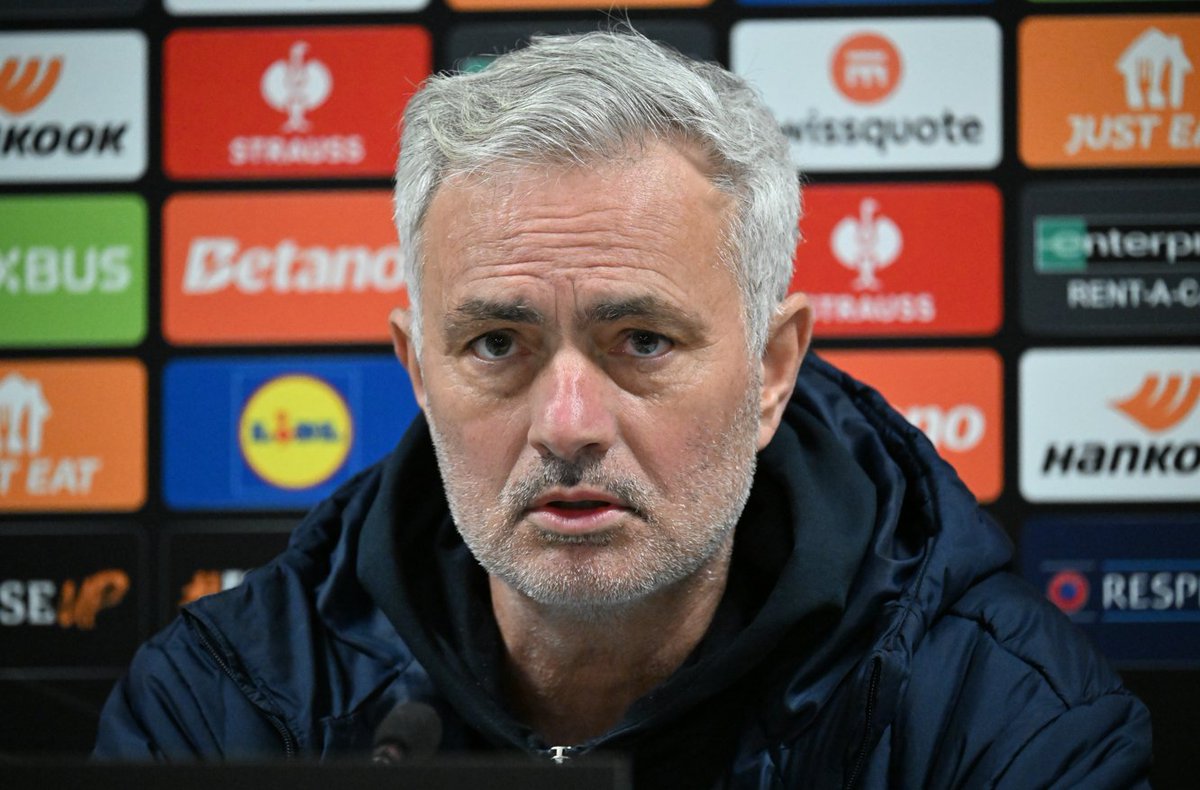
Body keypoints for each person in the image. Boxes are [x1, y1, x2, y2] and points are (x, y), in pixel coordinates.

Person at [94, 30, 1152, 787]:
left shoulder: (1003, 720)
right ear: (417, 370)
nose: (567, 423)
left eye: (641, 341)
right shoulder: (224, 707)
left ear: (773, 368)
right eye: (496, 344)